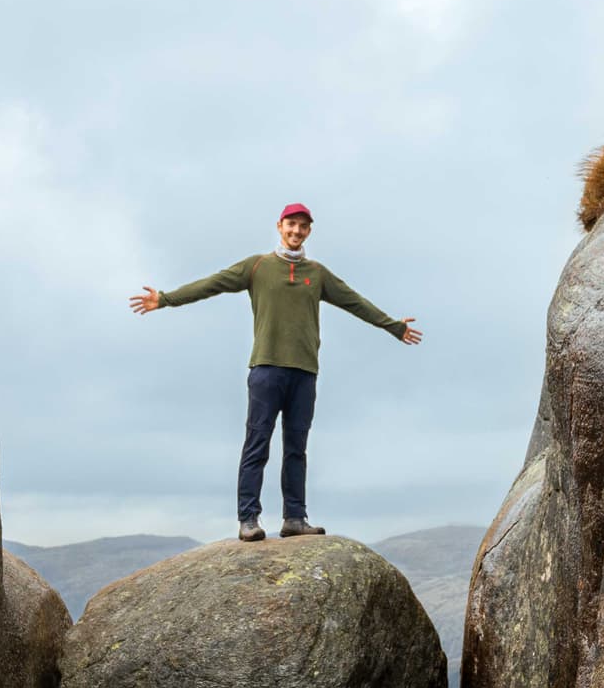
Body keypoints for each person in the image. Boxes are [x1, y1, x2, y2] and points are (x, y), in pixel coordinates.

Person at [133, 202, 421, 541]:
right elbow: (211, 284)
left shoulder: (318, 273)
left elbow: (354, 301)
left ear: (309, 231)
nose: (296, 231)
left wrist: (392, 326)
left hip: (304, 372)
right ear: (279, 226)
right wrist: (165, 299)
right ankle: (248, 519)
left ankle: (294, 518)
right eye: (291, 225)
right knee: (257, 443)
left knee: (297, 447)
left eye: (302, 226)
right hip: (266, 369)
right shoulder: (257, 267)